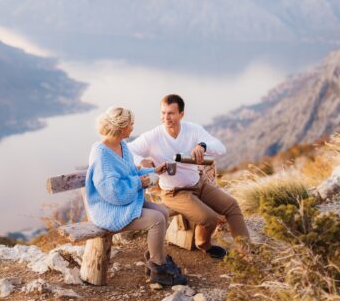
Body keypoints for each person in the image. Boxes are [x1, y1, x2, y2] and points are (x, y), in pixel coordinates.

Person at [127, 94, 250, 258]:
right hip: (175, 192)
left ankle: (247, 253)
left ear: (181, 114)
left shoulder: (193, 130)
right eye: (163, 113)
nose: (166, 117)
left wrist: (203, 146)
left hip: (199, 183)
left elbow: (221, 148)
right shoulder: (153, 136)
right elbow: (128, 150)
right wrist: (142, 161)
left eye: (171, 113)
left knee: (232, 206)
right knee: (210, 218)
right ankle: (204, 245)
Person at [85, 106, 188, 286]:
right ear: (121, 127)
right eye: (131, 124)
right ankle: (159, 269)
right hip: (109, 208)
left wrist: (153, 171)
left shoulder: (122, 145)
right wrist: (139, 183)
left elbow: (131, 172)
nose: (133, 127)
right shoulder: (101, 154)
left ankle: (155, 260)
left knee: (162, 212)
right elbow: (112, 193)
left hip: (125, 200)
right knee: (156, 219)